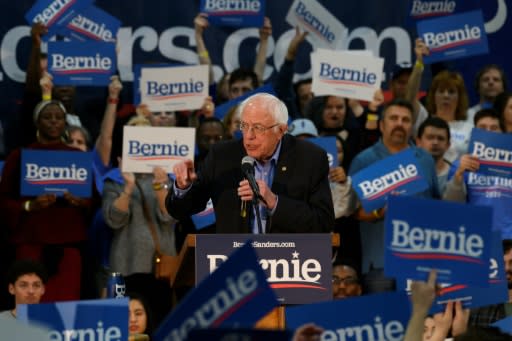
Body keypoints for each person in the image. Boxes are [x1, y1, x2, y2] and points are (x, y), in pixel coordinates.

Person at [167, 93, 334, 234]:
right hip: (234, 262)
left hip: (291, 262)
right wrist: (183, 188)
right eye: (244, 126)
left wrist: (273, 201)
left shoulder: (310, 158)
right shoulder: (222, 156)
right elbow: (181, 211)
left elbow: (323, 223)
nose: (248, 136)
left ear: (281, 131)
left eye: (258, 128)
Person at [0, 100, 92, 301]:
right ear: (37, 122)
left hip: (68, 249)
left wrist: (80, 202)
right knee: (29, 308)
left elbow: (94, 202)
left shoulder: (78, 157)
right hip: (30, 245)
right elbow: (3, 201)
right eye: (47, 117)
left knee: (66, 307)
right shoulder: (19, 156)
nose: (53, 122)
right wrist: (29, 205)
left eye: (59, 118)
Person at [348, 99, 440, 290]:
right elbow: (352, 212)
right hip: (380, 262)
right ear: (382, 125)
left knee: (421, 318)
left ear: (412, 127)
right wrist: (379, 213)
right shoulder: (363, 160)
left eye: (406, 120)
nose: (400, 123)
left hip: (420, 260)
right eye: (394, 118)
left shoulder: (425, 160)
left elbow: (437, 206)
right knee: (381, 319)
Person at [102, 116, 176, 324]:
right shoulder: (113, 179)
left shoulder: (166, 177)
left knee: (159, 321)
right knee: (125, 323)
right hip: (126, 264)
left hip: (159, 266)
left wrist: (161, 186)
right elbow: (113, 220)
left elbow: (169, 216)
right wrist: (128, 186)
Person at [443, 109, 511, 238]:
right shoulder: (460, 165)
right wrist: (458, 175)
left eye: (494, 128)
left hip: (509, 238)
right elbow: (451, 206)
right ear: (474, 132)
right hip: (474, 237)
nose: (488, 132)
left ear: (503, 133)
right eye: (482, 128)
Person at [416, 116, 452, 194]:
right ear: (418, 142)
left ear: (448, 145)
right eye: (430, 137)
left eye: (440, 138)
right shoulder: (406, 173)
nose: (435, 142)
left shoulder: (455, 174)